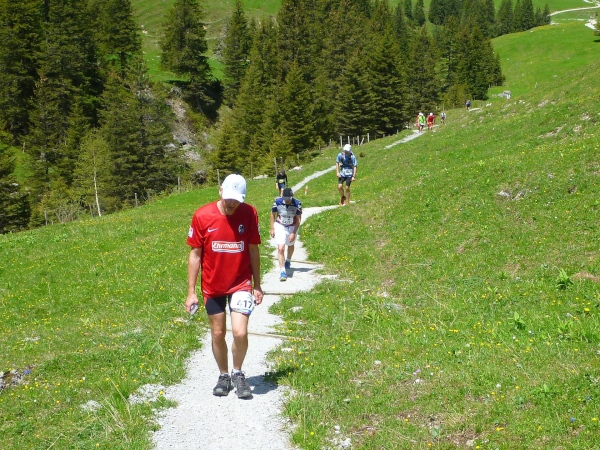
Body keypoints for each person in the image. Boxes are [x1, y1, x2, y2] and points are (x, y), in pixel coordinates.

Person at [185, 174, 264, 399]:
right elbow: (195, 255)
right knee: (218, 333)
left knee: (240, 332)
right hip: (213, 285)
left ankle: (238, 373)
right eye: (228, 197)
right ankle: (223, 375)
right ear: (220, 191)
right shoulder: (202, 216)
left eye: (236, 200)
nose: (231, 203)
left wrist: (257, 284)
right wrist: (191, 292)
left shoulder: (249, 213)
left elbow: (253, 250)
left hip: (240, 282)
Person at [270, 188, 302, 281]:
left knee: (290, 245)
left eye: (288, 199)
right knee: (281, 248)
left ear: (292, 196)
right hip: (280, 225)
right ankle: (282, 271)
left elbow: (298, 220)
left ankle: (288, 260)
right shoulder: (277, 202)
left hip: (292, 226)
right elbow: (272, 214)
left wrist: (293, 233)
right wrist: (272, 228)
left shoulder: (297, 203)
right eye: (285, 199)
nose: (286, 201)